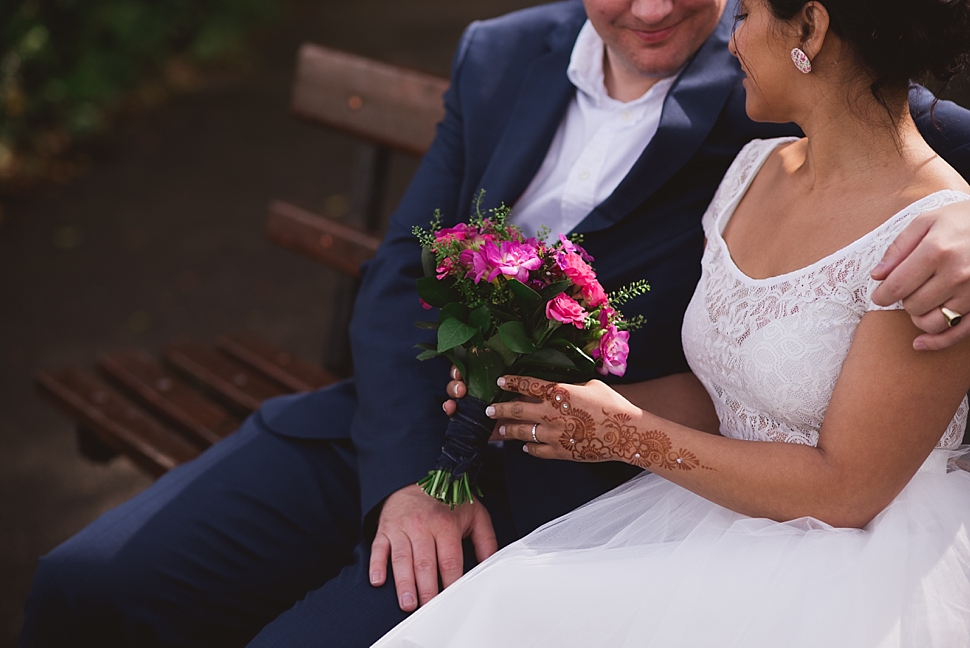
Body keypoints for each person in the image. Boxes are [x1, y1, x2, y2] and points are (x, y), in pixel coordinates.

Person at [16, 1, 970, 646]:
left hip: (566, 479)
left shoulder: (778, 77)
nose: (649, 10)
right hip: (389, 427)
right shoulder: (501, 52)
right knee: (85, 586)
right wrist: (401, 477)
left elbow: (902, 132)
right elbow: (398, 275)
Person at [371, 0, 970, 645]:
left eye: (745, 13)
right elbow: (726, 393)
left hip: (844, 570)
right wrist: (556, 407)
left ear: (812, 28)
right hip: (708, 515)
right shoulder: (754, 171)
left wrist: (628, 435)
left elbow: (849, 492)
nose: (732, 40)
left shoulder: (929, 248)